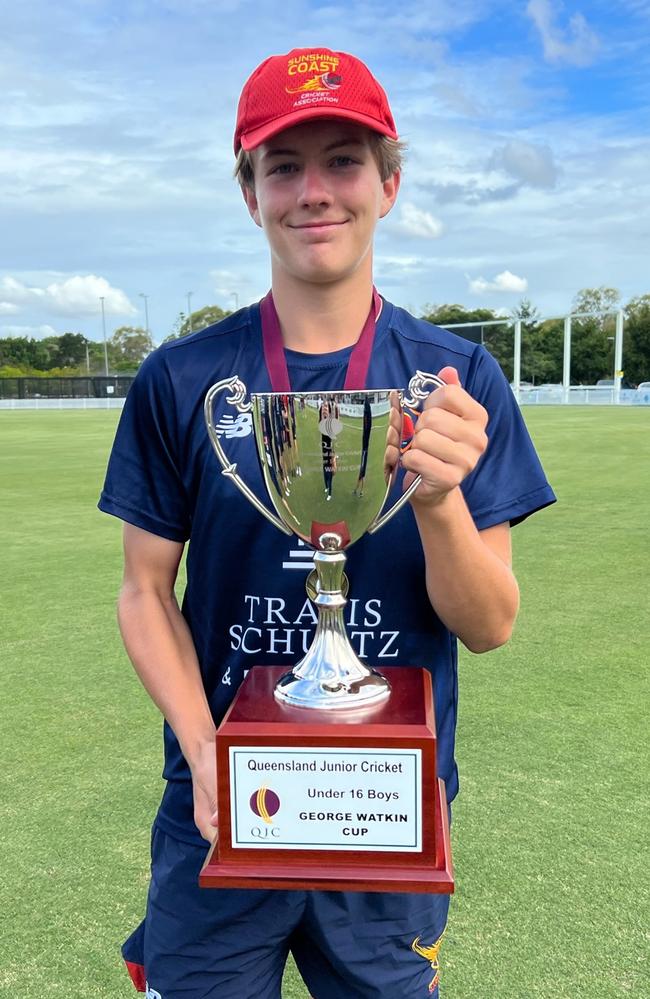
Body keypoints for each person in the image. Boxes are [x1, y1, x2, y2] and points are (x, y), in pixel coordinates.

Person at [99, 46, 556, 999]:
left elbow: (490, 623)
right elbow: (145, 590)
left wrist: (435, 501)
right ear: (251, 195)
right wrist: (204, 751)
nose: (315, 191)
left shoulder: (456, 379)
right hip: (224, 807)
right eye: (283, 166)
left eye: (343, 159)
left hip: (385, 810)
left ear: (388, 184)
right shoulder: (183, 378)